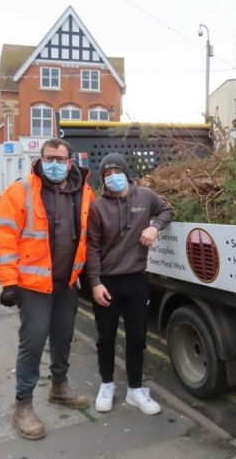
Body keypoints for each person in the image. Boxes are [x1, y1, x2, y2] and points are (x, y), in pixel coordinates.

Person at [0, 138, 94, 440]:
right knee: (33, 343)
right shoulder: (20, 191)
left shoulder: (84, 191)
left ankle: (59, 387)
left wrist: (88, 274)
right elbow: (3, 239)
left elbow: (87, 234)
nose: (55, 164)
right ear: (40, 159)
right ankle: (23, 405)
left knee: (63, 337)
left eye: (61, 160)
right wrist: (9, 282)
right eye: (50, 158)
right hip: (34, 286)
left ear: (70, 162)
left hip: (67, 283)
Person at [86, 153, 173, 415]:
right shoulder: (98, 207)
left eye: (116, 172)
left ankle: (135, 389)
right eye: (107, 174)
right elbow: (92, 247)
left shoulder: (145, 196)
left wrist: (154, 227)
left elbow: (167, 209)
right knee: (105, 337)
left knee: (137, 338)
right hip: (108, 283)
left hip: (137, 280)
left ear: (126, 173)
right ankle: (107, 384)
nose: (112, 177)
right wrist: (95, 283)